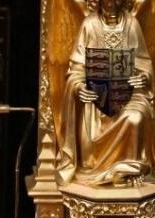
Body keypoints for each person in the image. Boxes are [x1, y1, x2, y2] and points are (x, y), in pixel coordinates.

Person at [57, 0, 154, 185]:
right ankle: (99, 169)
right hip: (96, 99)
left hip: (129, 95)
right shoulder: (89, 25)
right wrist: (79, 87)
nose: (111, 5)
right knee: (89, 137)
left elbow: (144, 64)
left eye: (116, 0)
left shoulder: (131, 24)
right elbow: (76, 69)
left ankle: (130, 171)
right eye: (107, 1)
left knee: (136, 117)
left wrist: (143, 77)